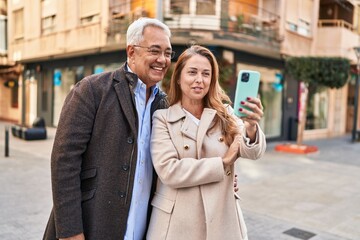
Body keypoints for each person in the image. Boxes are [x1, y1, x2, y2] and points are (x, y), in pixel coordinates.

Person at [43, 17, 173, 240]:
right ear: (131, 52)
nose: (162, 59)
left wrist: (223, 180)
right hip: (92, 226)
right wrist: (70, 233)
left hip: (142, 229)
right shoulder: (91, 90)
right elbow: (64, 163)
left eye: (168, 53)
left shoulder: (165, 105)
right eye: (155, 50)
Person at [146, 45, 267, 240]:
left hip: (221, 218)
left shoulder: (225, 113)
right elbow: (170, 171)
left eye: (206, 74)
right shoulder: (163, 118)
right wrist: (223, 162)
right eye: (192, 72)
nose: (199, 80)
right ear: (178, 77)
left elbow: (252, 153)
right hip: (177, 223)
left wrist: (251, 126)